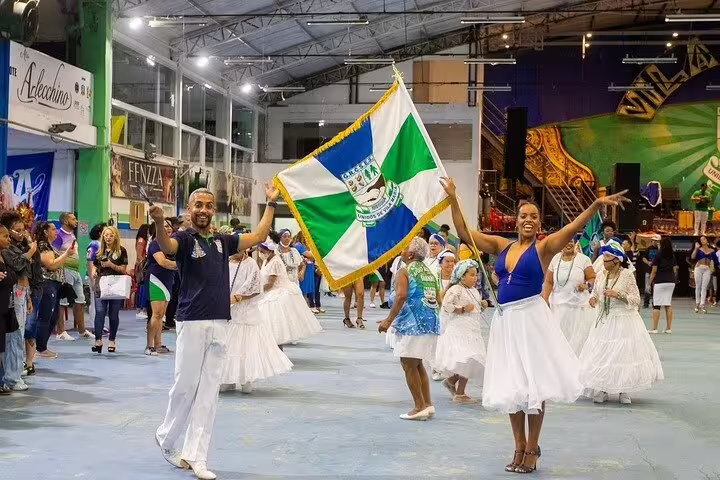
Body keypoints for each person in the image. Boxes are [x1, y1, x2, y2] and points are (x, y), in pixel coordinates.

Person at [442, 176, 629, 474]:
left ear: (539, 223)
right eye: (523, 216)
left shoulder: (544, 249)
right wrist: (453, 198)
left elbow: (572, 228)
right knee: (512, 385)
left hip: (531, 320)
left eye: (533, 217)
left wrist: (594, 205)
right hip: (506, 323)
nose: (528, 220)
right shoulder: (501, 245)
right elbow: (464, 231)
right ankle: (518, 445)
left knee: (533, 386)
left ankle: (532, 447)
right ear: (516, 221)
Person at [153, 185, 278, 480]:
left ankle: (196, 456)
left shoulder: (224, 240)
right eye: (198, 205)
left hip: (221, 323)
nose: (204, 210)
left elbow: (259, 237)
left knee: (209, 393)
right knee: (185, 386)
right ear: (189, 209)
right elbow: (166, 246)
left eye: (209, 205)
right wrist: (159, 222)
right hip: (192, 322)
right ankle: (166, 436)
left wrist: (271, 202)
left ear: (214, 210)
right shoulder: (183, 239)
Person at [582, 240, 664, 405]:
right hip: (605, 320)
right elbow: (597, 294)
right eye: (603, 259)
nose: (603, 263)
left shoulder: (626, 275)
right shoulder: (601, 275)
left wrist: (618, 294)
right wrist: (593, 299)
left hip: (623, 320)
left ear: (617, 260)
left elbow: (636, 300)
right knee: (603, 355)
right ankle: (602, 388)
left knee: (623, 355)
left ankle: (623, 390)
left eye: (607, 259)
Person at [377, 237, 440, 420]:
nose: (401, 251)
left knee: (408, 364)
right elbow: (437, 296)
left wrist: (388, 320)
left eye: (404, 249)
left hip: (414, 323)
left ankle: (419, 406)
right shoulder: (427, 271)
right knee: (417, 363)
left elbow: (401, 295)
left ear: (411, 254)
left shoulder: (404, 270)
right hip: (430, 321)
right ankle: (427, 404)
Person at [221, 249, 292, 393]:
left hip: (245, 312)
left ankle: (246, 378)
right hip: (226, 311)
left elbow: (256, 288)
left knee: (245, 345)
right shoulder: (224, 263)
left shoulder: (251, 264)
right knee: (228, 345)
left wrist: (238, 297)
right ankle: (228, 378)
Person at [435, 259, 487, 404]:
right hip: (459, 330)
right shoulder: (455, 289)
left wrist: (481, 305)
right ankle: (460, 392)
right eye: (471, 275)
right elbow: (446, 306)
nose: (475, 278)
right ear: (462, 276)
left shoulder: (475, 291)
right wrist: (462, 309)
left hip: (472, 330)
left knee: (472, 359)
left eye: (476, 275)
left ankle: (452, 382)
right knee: (466, 358)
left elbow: (475, 309)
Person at [258, 232, 322, 346]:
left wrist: (255, 290)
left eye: (262, 251)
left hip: (276, 294)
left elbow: (270, 284)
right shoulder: (266, 260)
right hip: (270, 292)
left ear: (269, 250)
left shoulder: (276, 262)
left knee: (276, 328)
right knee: (272, 329)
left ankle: (278, 351)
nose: (260, 254)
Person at [0, 212, 37, 392]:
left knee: (18, 335)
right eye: (16, 230)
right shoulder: (6, 249)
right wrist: (30, 251)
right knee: (14, 337)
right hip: (13, 293)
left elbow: (28, 272)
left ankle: (14, 373)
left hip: (23, 292)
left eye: (23, 230)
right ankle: (11, 377)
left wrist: (29, 296)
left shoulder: (19, 246)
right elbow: (17, 265)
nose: (21, 233)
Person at [542, 240, 596, 356]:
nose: (568, 243)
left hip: (579, 309)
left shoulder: (584, 259)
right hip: (558, 308)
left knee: (578, 341)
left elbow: (592, 278)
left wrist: (587, 285)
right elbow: (549, 281)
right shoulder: (555, 259)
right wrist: (545, 300)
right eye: (566, 241)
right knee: (559, 340)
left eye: (571, 241)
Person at [32, 222, 74, 362]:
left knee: (54, 316)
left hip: (54, 284)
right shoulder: (43, 245)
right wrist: (66, 254)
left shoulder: (50, 246)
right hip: (46, 283)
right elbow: (51, 264)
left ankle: (42, 345)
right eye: (53, 229)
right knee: (45, 316)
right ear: (45, 232)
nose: (56, 231)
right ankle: (40, 348)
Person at [90, 226, 128, 354]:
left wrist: (111, 265)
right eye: (106, 235)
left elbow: (124, 270)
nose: (108, 237)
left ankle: (112, 340)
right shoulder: (99, 252)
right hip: (101, 284)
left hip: (116, 284)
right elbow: (94, 266)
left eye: (111, 235)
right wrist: (94, 272)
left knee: (113, 314)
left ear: (115, 236)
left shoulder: (122, 251)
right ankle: (98, 340)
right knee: (99, 312)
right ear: (103, 237)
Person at [53, 212, 89, 340]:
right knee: (62, 303)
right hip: (64, 271)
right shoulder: (59, 235)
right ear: (65, 221)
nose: (76, 221)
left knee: (80, 300)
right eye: (73, 219)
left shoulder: (72, 235)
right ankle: (61, 332)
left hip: (76, 271)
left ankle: (82, 331)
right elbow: (54, 253)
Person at [145, 219, 177, 356]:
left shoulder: (173, 245)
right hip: (156, 280)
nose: (168, 228)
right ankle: (149, 345)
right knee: (156, 314)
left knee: (161, 315)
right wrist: (181, 264)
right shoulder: (155, 244)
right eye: (164, 226)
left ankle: (158, 344)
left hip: (169, 280)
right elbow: (162, 262)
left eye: (169, 226)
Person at [0, 225, 19, 395]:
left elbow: (12, 277)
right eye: (5, 236)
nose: (8, 239)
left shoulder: (4, 256)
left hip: (5, 307)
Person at [648, 237, 678, 334]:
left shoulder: (658, 254)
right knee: (668, 304)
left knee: (656, 305)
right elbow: (675, 269)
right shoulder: (672, 255)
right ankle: (668, 328)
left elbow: (654, 270)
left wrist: (649, 283)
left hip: (660, 281)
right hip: (671, 281)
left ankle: (654, 328)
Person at [294, 231, 323, 314]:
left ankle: (306, 309)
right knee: (302, 290)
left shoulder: (306, 246)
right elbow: (310, 255)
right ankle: (303, 309)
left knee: (307, 291)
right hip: (304, 270)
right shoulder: (298, 245)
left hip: (309, 269)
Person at [691, 235, 714, 314]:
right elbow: (692, 257)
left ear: (707, 240)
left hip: (707, 269)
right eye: (701, 239)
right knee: (698, 286)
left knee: (704, 288)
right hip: (698, 268)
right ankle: (697, 304)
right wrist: (696, 248)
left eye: (704, 239)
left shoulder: (711, 250)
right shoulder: (699, 249)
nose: (702, 240)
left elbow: (715, 260)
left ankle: (702, 305)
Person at [134, 224, 150, 319]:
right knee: (143, 287)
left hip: (144, 264)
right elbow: (139, 255)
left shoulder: (143, 240)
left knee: (142, 287)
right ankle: (141, 308)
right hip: (142, 265)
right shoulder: (141, 240)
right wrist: (142, 265)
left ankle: (142, 308)